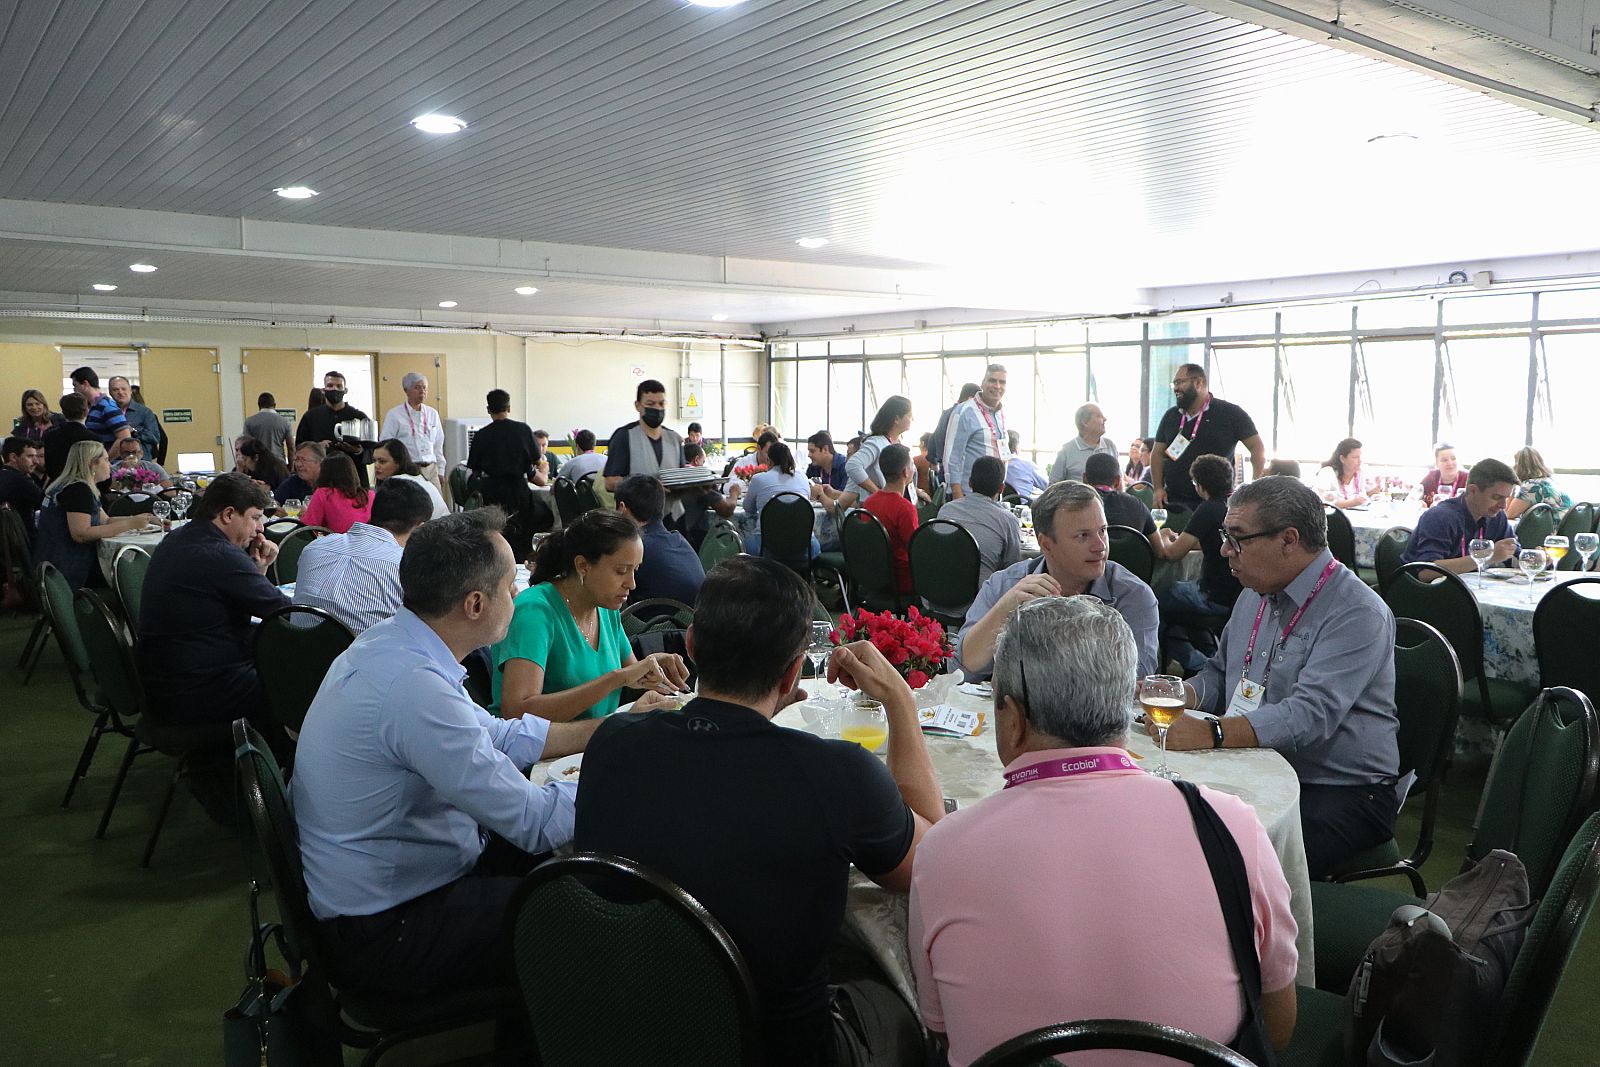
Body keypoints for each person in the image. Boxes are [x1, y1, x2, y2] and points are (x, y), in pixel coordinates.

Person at [574, 556, 940, 1067]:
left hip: (626, 1030)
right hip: (777, 1047)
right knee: (895, 992)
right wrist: (900, 700)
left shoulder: (613, 743)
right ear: (793, 672)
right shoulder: (837, 775)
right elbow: (934, 862)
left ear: (692, 645)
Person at [910, 597, 1298, 1067]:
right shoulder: (1230, 826)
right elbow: (1277, 1025)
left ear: (1012, 720)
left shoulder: (944, 850)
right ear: (1125, 704)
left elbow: (940, 1028)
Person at [291, 510, 599, 1000]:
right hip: (387, 930)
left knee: (570, 861)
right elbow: (535, 823)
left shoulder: (394, 643)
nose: (517, 596)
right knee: (581, 907)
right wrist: (622, 771)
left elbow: (497, 736)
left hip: (391, 886)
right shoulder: (414, 688)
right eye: (510, 587)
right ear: (476, 604)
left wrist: (608, 731)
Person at [1149, 476, 1402, 879]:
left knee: (1219, 856)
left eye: (1237, 538)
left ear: (1288, 540)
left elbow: (1309, 715)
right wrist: (1179, 694)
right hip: (1257, 762)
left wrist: (1213, 732)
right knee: (1163, 816)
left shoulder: (1356, 611)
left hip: (1340, 789)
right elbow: (1220, 673)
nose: (1224, 550)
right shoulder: (1254, 593)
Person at [492, 508, 690, 722]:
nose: (631, 583)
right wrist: (616, 679)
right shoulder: (534, 612)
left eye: (635, 570)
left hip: (589, 739)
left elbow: (631, 674)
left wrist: (651, 666)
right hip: (533, 743)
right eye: (621, 571)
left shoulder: (605, 608)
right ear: (582, 566)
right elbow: (517, 711)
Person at [957, 480, 1160, 680]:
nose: (1101, 546)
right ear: (1046, 545)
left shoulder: (1132, 595)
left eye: (1103, 531)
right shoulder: (1006, 585)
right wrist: (1004, 611)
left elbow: (1136, 678)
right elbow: (963, 668)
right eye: (1083, 535)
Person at [139, 472, 287, 730]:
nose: (260, 528)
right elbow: (284, 611)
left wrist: (258, 568)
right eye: (255, 518)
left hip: (164, 681)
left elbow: (247, 601)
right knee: (297, 680)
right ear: (228, 514)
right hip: (200, 691)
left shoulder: (178, 538)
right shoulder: (221, 555)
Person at [293, 479, 434, 633]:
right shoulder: (405, 568)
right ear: (420, 529)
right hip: (365, 648)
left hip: (295, 647)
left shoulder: (313, 548)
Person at [1153, 455, 1242, 673]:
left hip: (1212, 595)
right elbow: (1208, 542)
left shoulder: (1208, 509)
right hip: (1237, 596)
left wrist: (1163, 535)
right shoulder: (1236, 506)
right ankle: (1208, 655)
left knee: (1154, 600)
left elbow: (1172, 554)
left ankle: (1193, 661)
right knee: (1181, 610)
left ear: (1201, 486)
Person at [33, 441, 149, 589]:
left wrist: (143, 519)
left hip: (50, 562)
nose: (110, 464)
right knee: (133, 576)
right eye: (106, 460)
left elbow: (105, 521)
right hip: (67, 571)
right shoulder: (78, 491)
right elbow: (81, 534)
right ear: (92, 464)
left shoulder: (71, 485)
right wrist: (130, 524)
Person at [1151, 363, 1265, 510]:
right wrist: (1158, 488)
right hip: (1173, 500)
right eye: (1174, 383)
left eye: (1180, 382)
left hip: (1216, 503)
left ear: (1198, 382)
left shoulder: (1230, 413)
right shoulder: (1171, 416)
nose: (1176, 388)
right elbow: (1157, 454)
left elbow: (1257, 447)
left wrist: (1254, 487)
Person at [1399, 457, 1518, 573]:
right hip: (1421, 585)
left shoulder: (1497, 516)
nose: (1503, 505)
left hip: (1468, 585)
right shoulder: (1440, 517)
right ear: (1473, 490)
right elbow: (1428, 572)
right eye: (1496, 497)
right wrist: (1487, 556)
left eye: (1506, 498)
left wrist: (1526, 558)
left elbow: (1516, 554)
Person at [466, 389, 540, 561]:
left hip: (492, 492)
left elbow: (474, 469)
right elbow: (536, 460)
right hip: (519, 490)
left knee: (496, 534)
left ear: (488, 409)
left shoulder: (482, 435)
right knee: (521, 535)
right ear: (509, 407)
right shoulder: (523, 430)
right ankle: (520, 566)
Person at [615, 474, 705, 606]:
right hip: (695, 614)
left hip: (654, 618)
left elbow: (608, 590)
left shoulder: (635, 548)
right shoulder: (679, 540)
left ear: (622, 509)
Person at [937, 455, 1022, 584]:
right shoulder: (1008, 520)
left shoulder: (945, 510)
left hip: (935, 590)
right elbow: (1012, 570)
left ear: (970, 483)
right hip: (981, 594)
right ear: (1001, 488)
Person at [603, 378, 684, 492]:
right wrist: (645, 486)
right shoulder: (624, 436)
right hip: (637, 503)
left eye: (661, 404)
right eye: (650, 404)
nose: (657, 408)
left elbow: (683, 478)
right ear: (638, 406)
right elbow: (610, 483)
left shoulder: (675, 439)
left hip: (673, 503)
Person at [743, 441, 820, 559]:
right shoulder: (803, 477)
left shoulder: (758, 479)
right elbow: (805, 503)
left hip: (766, 548)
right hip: (805, 548)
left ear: (769, 460)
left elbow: (748, 508)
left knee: (744, 542)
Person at [862, 443, 920, 596]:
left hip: (874, 576)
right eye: (912, 465)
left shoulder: (868, 503)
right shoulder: (905, 508)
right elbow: (916, 549)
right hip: (902, 579)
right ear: (905, 472)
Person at [295, 372, 371, 487]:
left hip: (355, 479)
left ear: (345, 390)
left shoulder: (359, 417)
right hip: (321, 479)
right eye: (330, 385)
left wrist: (357, 450)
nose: (334, 389)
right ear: (323, 390)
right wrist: (317, 447)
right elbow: (299, 447)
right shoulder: (310, 417)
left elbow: (372, 451)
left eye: (339, 386)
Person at [839, 395, 914, 509]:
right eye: (909, 416)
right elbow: (853, 465)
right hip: (880, 509)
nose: (912, 419)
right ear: (897, 419)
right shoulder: (876, 443)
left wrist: (916, 491)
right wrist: (878, 493)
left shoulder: (898, 442)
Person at [945, 365, 1008, 500]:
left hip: (993, 496)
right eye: (992, 380)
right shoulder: (964, 411)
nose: (997, 386)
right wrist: (957, 495)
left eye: (1002, 382)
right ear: (983, 383)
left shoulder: (1001, 414)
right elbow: (952, 456)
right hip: (967, 495)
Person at [378, 372, 446, 491]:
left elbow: (438, 444)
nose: (422, 391)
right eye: (417, 387)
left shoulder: (432, 414)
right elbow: (386, 444)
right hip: (408, 469)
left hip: (431, 469)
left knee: (437, 501)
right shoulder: (395, 414)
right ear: (406, 390)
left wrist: (441, 470)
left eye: (424, 387)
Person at [676, 441, 739, 550]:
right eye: (703, 462)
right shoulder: (699, 478)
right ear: (696, 460)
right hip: (685, 540)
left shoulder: (671, 474)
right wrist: (734, 493)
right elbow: (726, 509)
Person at [1083, 451, 1156, 538]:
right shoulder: (1137, 505)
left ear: (1084, 479)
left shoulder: (1075, 507)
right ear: (1117, 481)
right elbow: (1159, 546)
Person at [373, 438, 449, 519]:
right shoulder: (418, 478)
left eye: (382, 461)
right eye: (374, 461)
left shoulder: (397, 485)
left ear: (398, 463)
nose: (376, 466)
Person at [301, 452, 373, 534]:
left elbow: (308, 529)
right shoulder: (369, 495)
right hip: (368, 541)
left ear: (324, 473)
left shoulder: (324, 493)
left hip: (337, 541)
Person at [1050, 402, 1119, 484]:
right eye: (1099, 416)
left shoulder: (1110, 446)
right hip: (1077, 492)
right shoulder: (1066, 451)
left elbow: (1119, 481)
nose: (1105, 419)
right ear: (1085, 422)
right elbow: (1053, 485)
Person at [928, 382, 979, 484]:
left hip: (943, 470)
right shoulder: (963, 415)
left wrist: (935, 463)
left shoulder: (946, 413)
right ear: (970, 399)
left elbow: (932, 441)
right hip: (960, 475)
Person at [69, 367, 132, 447]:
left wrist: (107, 455)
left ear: (85, 384)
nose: (74, 389)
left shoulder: (107, 407)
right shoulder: (91, 406)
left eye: (75, 385)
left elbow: (124, 437)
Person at [1506, 446, 1572, 520]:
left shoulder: (1530, 485)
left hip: (1553, 526)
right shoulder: (1551, 481)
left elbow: (1509, 515)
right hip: (1567, 525)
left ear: (1519, 466)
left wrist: (1512, 487)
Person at [42, 394, 98, 480]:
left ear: (63, 412)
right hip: (83, 483)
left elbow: (49, 467)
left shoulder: (49, 435)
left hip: (57, 483)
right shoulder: (93, 438)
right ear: (87, 411)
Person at [0, 436, 45, 537]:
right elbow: (44, 502)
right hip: (19, 539)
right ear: (13, 457)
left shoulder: (5, 475)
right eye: (30, 456)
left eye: (36, 456)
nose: (36, 461)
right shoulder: (19, 481)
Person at [107, 375, 160, 457]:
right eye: (115, 390)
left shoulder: (145, 412)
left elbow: (154, 437)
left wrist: (134, 431)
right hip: (114, 460)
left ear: (130, 391)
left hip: (140, 460)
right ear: (110, 392)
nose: (120, 392)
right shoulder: (106, 412)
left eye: (123, 389)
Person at [1314, 438, 1368, 508]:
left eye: (1360, 456)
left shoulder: (1360, 472)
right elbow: (1320, 502)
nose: (1360, 461)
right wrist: (1351, 503)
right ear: (1342, 459)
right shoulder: (1327, 473)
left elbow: (1365, 497)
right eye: (1355, 457)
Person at [242, 392, 293, 465]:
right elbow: (291, 448)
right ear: (274, 405)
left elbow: (246, 445)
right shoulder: (285, 422)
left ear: (259, 405)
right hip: (279, 463)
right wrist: (291, 466)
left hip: (258, 463)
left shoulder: (249, 422)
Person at [1004, 430, 1050, 500]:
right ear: (1016, 446)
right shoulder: (1027, 465)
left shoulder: (997, 465)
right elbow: (1049, 486)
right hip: (1023, 505)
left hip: (1000, 503)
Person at [1418, 442, 1467, 506]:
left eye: (1453, 458)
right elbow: (1416, 495)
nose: (1450, 463)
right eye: (1444, 460)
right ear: (1436, 463)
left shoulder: (1468, 478)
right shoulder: (1431, 476)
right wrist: (1420, 503)